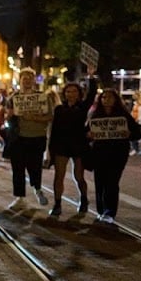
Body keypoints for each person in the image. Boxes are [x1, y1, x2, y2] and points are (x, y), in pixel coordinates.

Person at [87, 88, 141, 224]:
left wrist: (129, 134)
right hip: (99, 153)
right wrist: (89, 136)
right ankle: (101, 210)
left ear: (116, 99)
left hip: (117, 153)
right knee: (99, 182)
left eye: (110, 97)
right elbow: (87, 132)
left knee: (112, 182)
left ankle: (110, 211)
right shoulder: (96, 115)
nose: (106, 100)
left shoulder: (123, 115)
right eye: (104, 97)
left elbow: (137, 133)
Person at [47, 73, 96, 216]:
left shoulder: (82, 107)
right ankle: (57, 204)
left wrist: (91, 78)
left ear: (79, 93)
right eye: (68, 91)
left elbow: (92, 94)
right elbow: (54, 130)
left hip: (78, 145)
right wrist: (51, 150)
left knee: (78, 176)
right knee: (59, 175)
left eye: (74, 91)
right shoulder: (59, 109)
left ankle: (84, 199)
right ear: (64, 94)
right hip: (62, 145)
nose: (71, 94)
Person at [5, 68, 54, 210]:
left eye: (29, 78)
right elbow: (7, 117)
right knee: (18, 168)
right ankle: (19, 197)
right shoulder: (13, 98)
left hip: (37, 137)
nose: (26, 81)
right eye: (24, 78)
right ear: (20, 80)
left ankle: (37, 188)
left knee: (35, 166)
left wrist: (35, 118)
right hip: (18, 138)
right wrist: (11, 114)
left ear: (34, 81)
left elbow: (50, 117)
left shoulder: (42, 98)